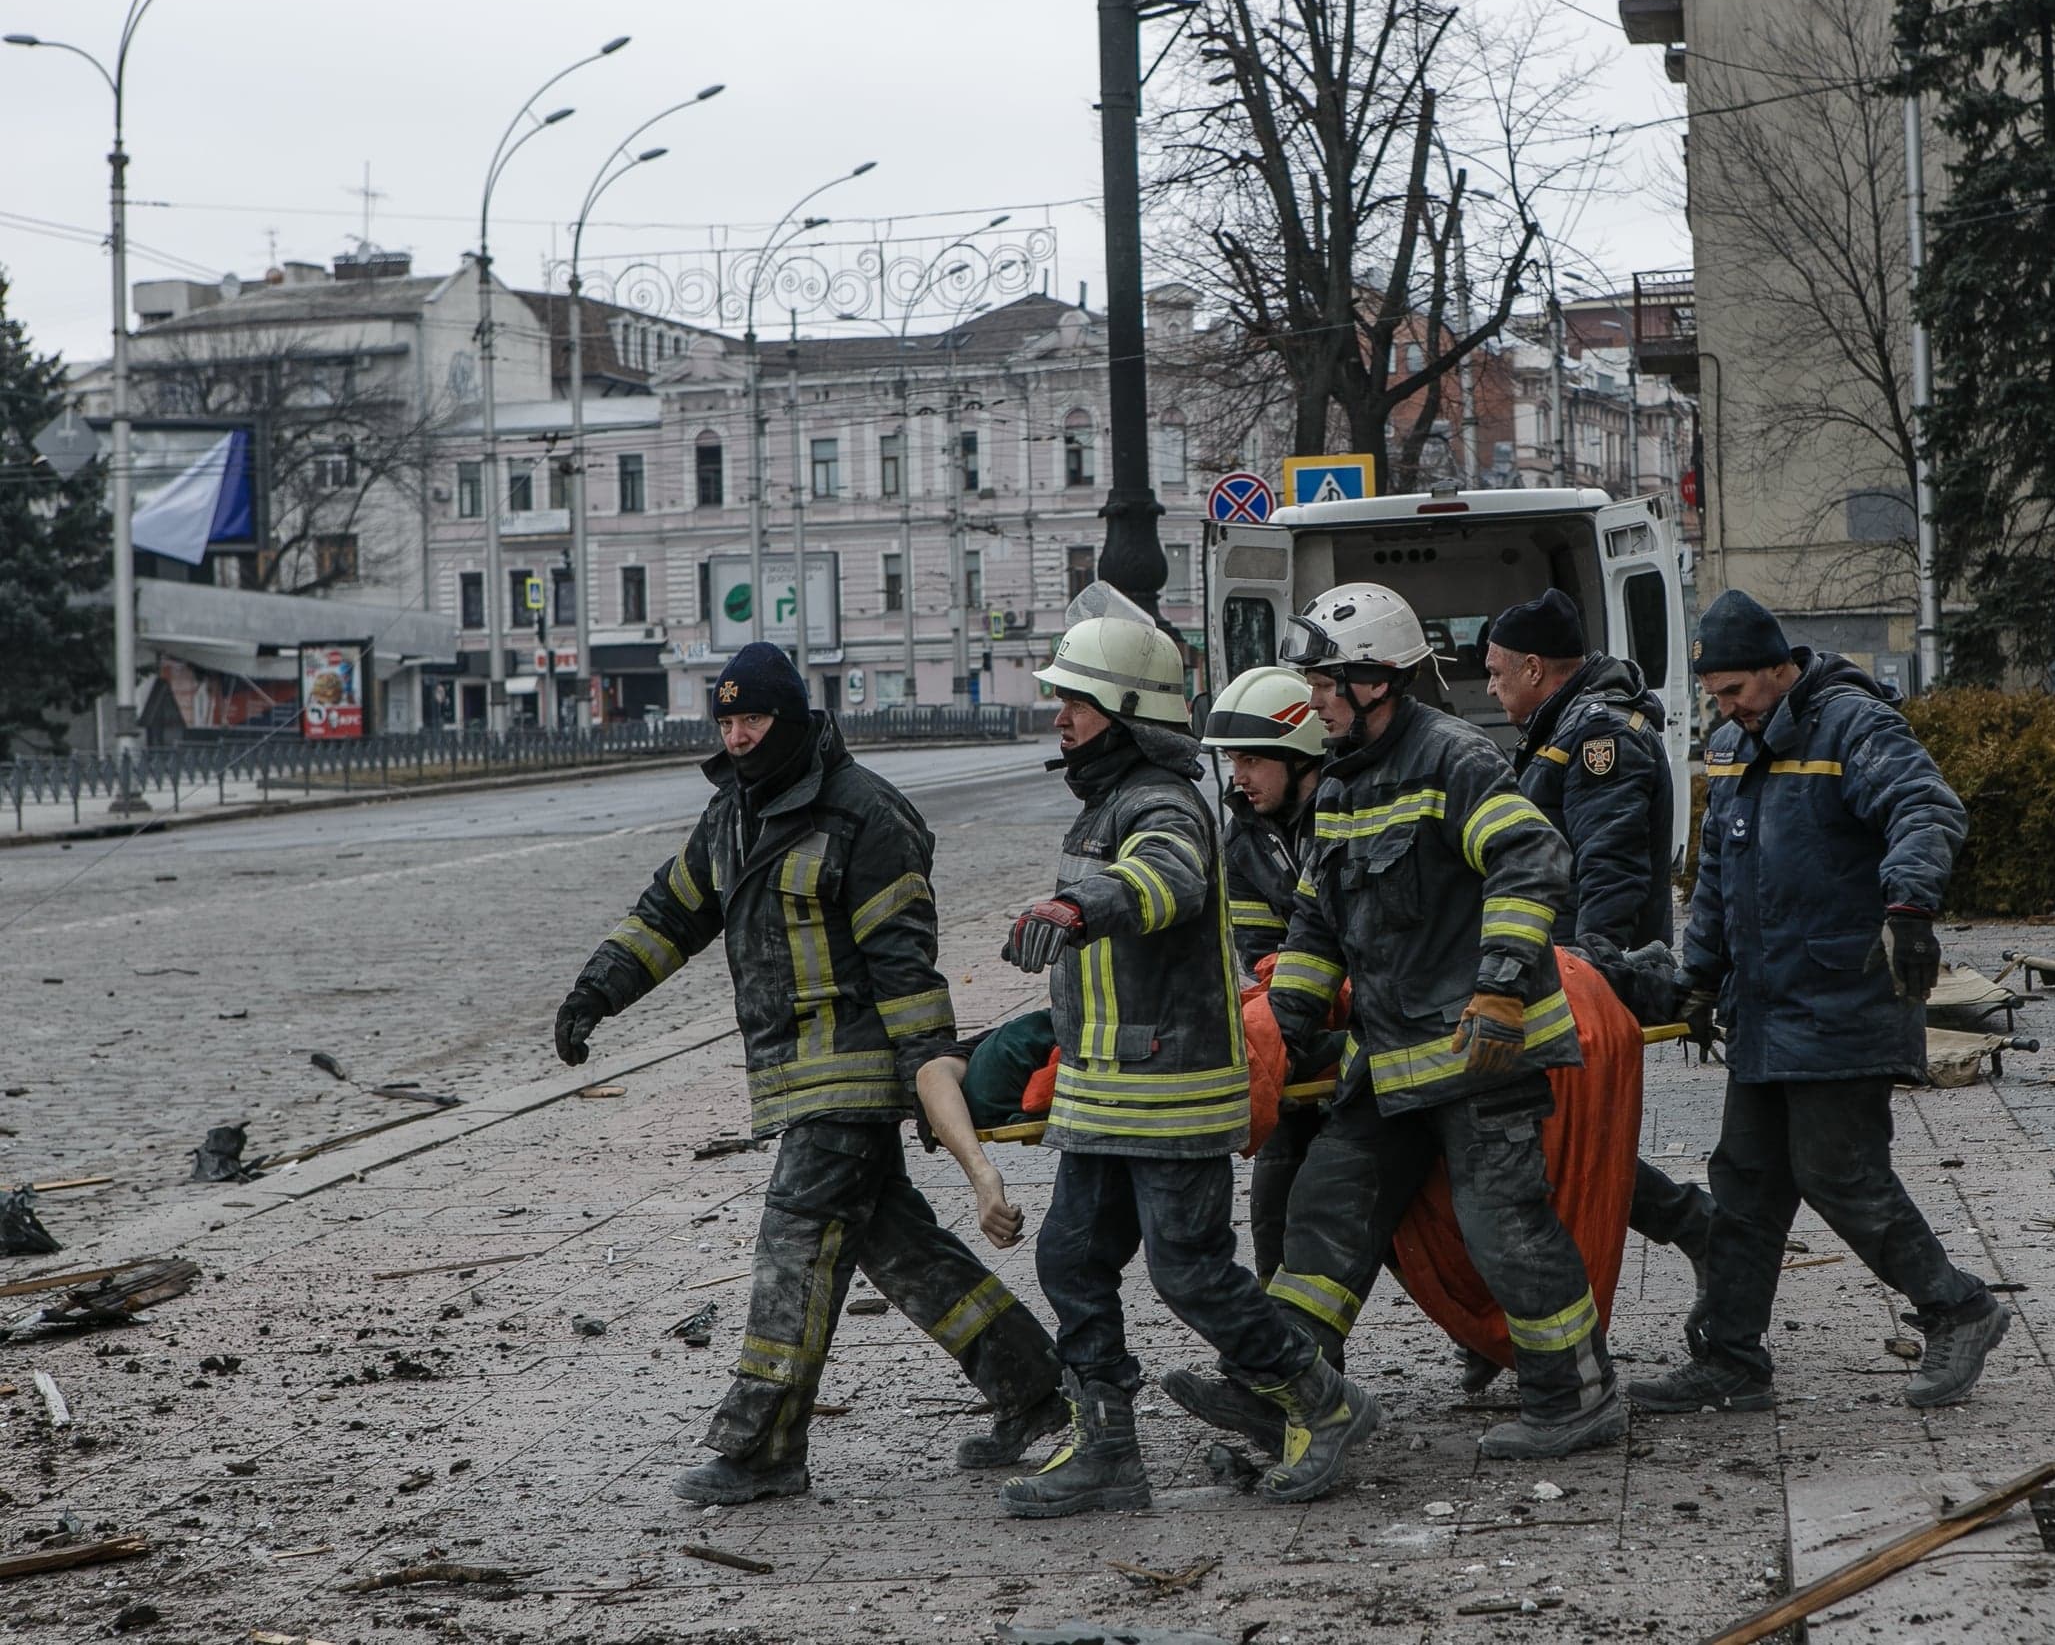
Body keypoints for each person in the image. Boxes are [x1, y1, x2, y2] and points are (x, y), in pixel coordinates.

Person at [552, 641, 1065, 1504]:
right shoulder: (732, 813)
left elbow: (905, 965)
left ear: (790, 720)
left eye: (753, 719)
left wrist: (930, 1078)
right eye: (727, 721)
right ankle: (1035, 1388)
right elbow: (671, 913)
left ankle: (764, 1446)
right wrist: (595, 992)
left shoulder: (866, 814)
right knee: (897, 1247)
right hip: (793, 1075)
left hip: (852, 1076)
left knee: (793, 1247)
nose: (738, 737)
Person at [1162, 583, 1624, 1462]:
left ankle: (1578, 1394)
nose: (1315, 701)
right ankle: (1284, 1389)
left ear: (1376, 680)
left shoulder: (1454, 759)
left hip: (1481, 1052)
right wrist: (1278, 1035)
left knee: (1503, 1228)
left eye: (1325, 683)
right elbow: (1314, 930)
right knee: (1325, 1207)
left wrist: (1500, 987)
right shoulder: (1341, 786)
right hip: (1394, 1060)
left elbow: (1531, 858)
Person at [996, 589, 1377, 1517]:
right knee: (1070, 1260)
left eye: (1077, 702)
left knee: (1190, 1272)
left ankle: (1321, 1403)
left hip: (1170, 1091)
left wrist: (1078, 907)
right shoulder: (1105, 805)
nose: (1061, 718)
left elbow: (1163, 880)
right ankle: (1107, 1448)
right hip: (1105, 1093)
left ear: (1127, 713)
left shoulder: (1161, 803)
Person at [1630, 591, 2007, 1416]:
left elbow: (1926, 807)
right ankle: (1731, 1358)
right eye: (1715, 696)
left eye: (1735, 691)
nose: (1726, 710)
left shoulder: (1852, 727)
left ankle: (1959, 1309)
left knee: (1839, 1175)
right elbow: (1719, 876)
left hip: (1844, 999)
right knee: (1745, 1183)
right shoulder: (1734, 746)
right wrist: (1701, 975)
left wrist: (1909, 909)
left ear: (1779, 668)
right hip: (1766, 1008)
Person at [1482, 588, 1716, 1364]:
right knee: (1544, 1141)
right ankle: (1694, 1227)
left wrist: (1590, 971)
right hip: (1559, 971)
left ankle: (1696, 1227)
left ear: (1534, 668)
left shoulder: (1597, 736)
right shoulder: (1564, 727)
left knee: (1546, 1141)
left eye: (1496, 672)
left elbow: (1608, 868)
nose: (1490, 687)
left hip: (1581, 978)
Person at [1199, 665, 1332, 1282]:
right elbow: (1258, 954)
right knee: (1273, 1203)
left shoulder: (1351, 812)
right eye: (1233, 761)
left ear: (1301, 756)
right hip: (1299, 1027)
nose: (1238, 777)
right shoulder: (1244, 840)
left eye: (1252, 759)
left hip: (1381, 1032)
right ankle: (1281, 1329)